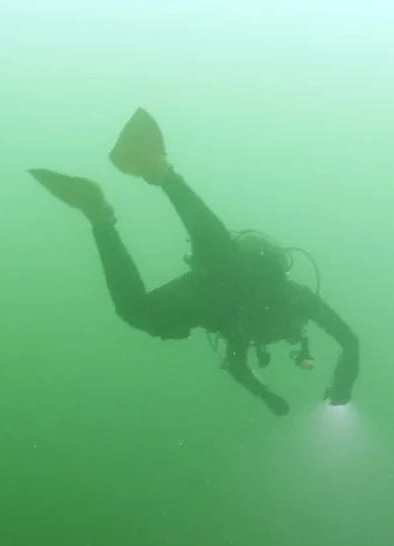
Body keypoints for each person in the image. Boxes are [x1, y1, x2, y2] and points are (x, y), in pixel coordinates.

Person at [29, 109, 358, 415]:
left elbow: (238, 366)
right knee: (222, 257)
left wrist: (268, 397)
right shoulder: (299, 299)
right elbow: (349, 340)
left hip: (207, 292)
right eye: (293, 332)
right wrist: (340, 384)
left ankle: (100, 218)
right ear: (298, 327)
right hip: (230, 275)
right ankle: (159, 170)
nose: (288, 332)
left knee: (138, 311)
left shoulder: (243, 331)